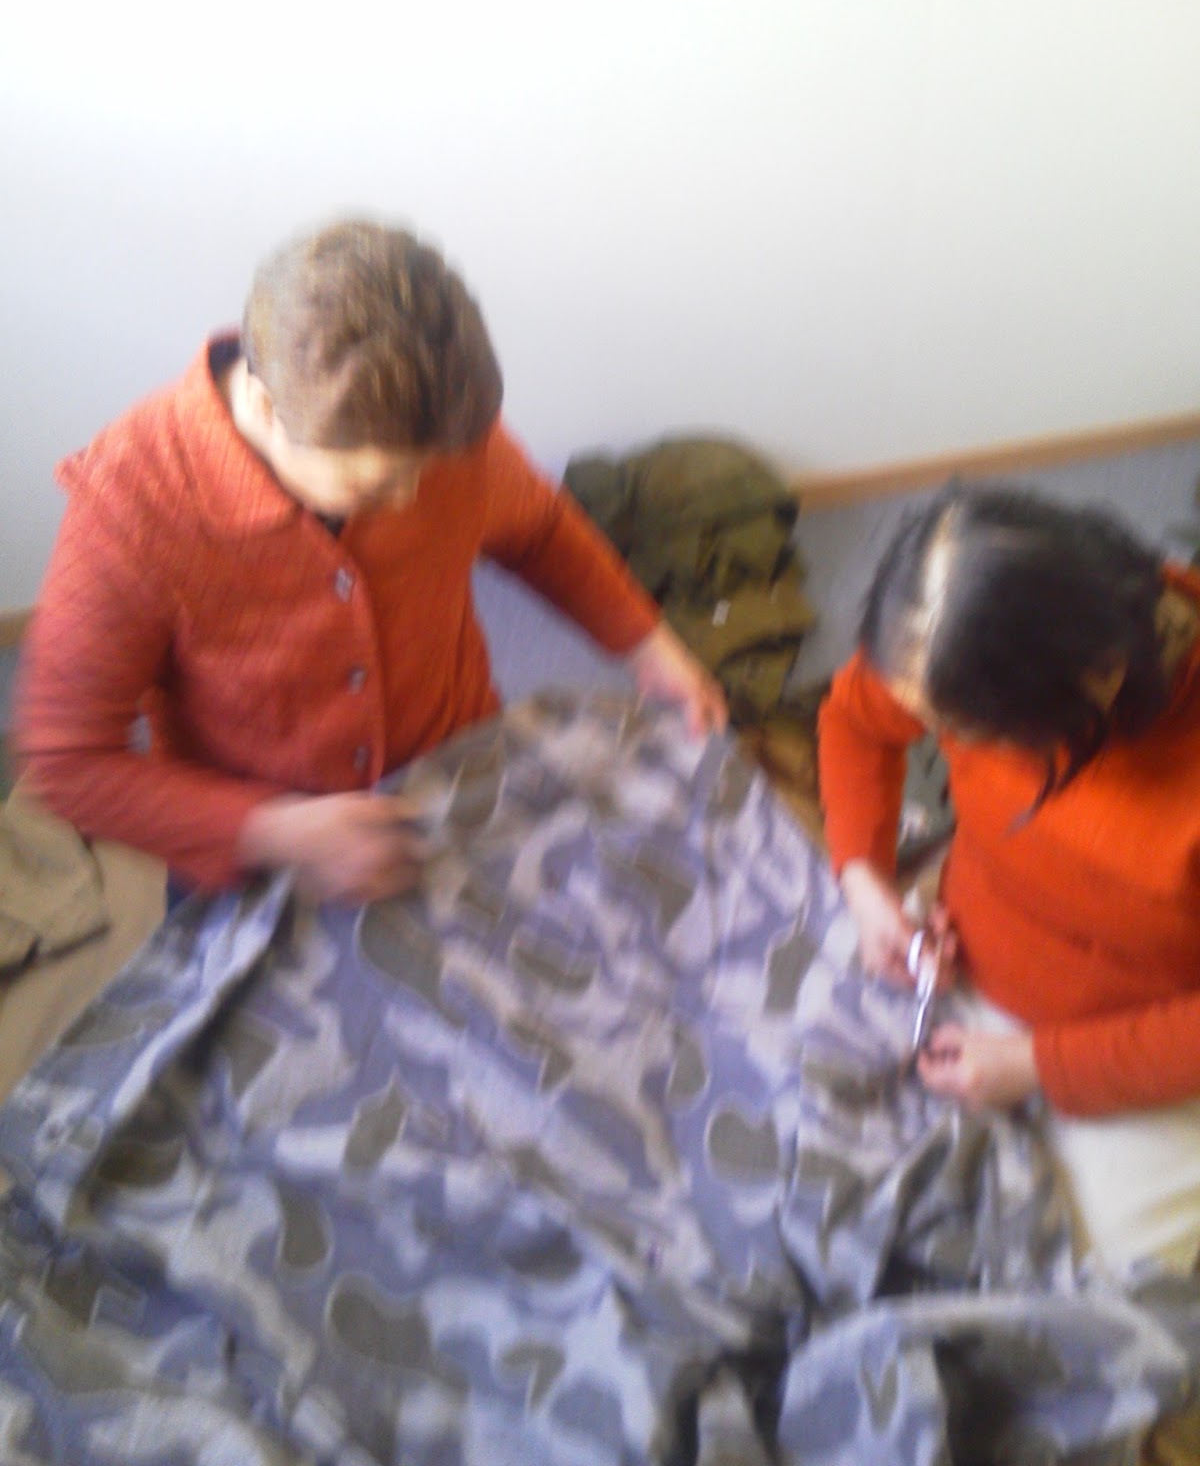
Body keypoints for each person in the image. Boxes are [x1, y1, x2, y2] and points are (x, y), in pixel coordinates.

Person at [16, 218, 726, 906]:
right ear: (264, 410)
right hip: (259, 854)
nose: (414, 497)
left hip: (461, 781)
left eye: (428, 471)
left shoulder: (438, 429)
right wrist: (275, 832)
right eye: (376, 484)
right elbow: (68, 760)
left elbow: (539, 530)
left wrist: (648, 644)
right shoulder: (131, 505)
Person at [818, 482, 1200, 1274]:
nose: (938, 739)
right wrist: (865, 883)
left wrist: (1042, 1066)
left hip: (1136, 1043)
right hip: (960, 953)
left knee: (1089, 1267)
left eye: (959, 730)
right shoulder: (956, 635)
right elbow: (854, 722)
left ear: (1094, 686)